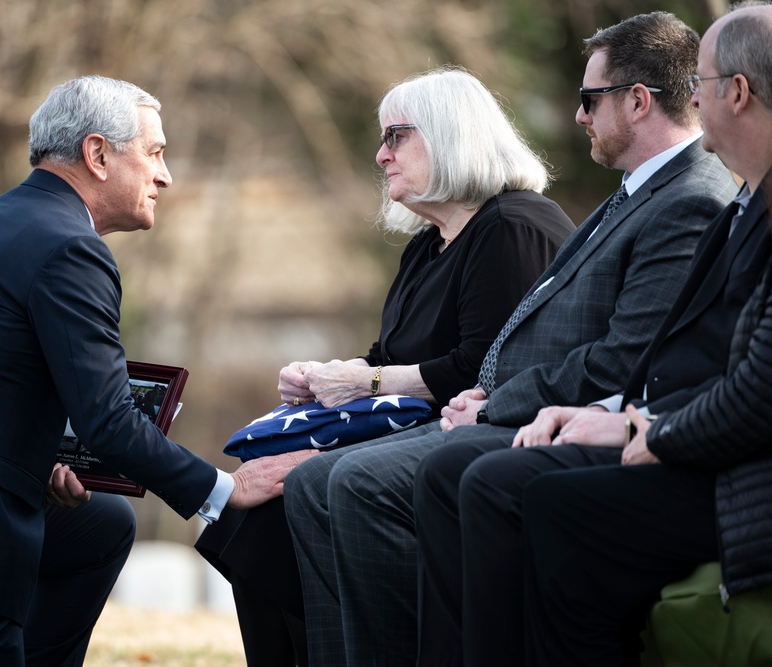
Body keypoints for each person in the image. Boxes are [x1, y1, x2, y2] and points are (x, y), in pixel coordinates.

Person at [0, 75, 315, 666]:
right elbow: (109, 423)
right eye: (154, 153)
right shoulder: (71, 247)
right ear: (97, 155)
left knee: (100, 526)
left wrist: (36, 456)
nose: (165, 175)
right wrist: (222, 491)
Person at [284, 11, 741, 666]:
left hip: (560, 422)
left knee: (362, 479)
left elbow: (624, 355)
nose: (578, 116)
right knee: (316, 478)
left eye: (589, 100)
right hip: (512, 410)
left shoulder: (687, 197)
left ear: (636, 102)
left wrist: (491, 400)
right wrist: (478, 393)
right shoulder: (637, 193)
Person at [414, 5, 772, 665]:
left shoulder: (701, 198)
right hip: (671, 432)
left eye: (700, 82)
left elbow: (745, 389)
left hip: (734, 476)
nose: (689, 100)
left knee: (500, 484)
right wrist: (613, 414)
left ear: (738, 92)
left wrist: (642, 426)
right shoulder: (740, 203)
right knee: (437, 472)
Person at [194, 66, 575, 667]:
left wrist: (364, 382)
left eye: (396, 136)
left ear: (452, 134)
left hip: (473, 432)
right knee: (254, 506)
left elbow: (487, 369)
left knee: (283, 505)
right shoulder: (431, 242)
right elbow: (388, 358)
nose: (380, 155)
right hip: (409, 431)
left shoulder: (515, 227)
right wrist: (325, 376)